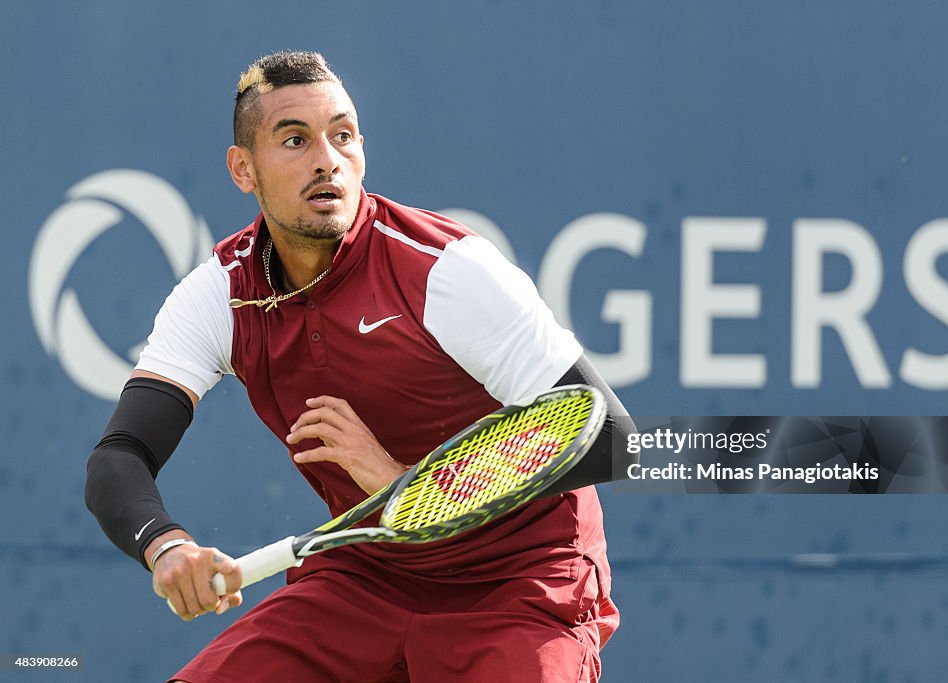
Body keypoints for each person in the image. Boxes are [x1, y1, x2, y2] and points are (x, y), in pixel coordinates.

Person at [85, 50, 636, 682]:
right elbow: (119, 456)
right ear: (244, 169)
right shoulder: (220, 295)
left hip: (518, 584)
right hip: (368, 573)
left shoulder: (446, 271)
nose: (327, 159)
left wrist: (404, 483)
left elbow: (612, 440)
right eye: (295, 140)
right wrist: (167, 546)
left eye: (342, 136)